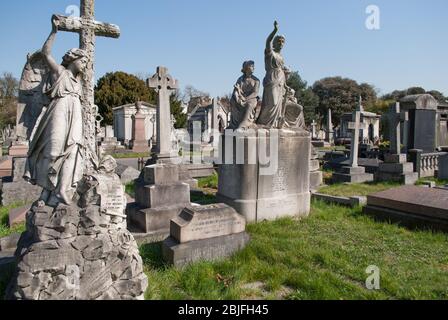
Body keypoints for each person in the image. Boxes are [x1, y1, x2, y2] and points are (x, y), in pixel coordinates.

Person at [24, 17, 87, 207]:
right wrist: (54, 31)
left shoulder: (80, 83)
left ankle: (62, 189)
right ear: (73, 59)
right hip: (59, 109)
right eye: (83, 60)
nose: (85, 64)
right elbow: (46, 53)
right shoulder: (60, 72)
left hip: (75, 113)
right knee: (53, 152)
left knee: (73, 150)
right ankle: (47, 189)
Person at [256, 21, 290, 128]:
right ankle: (263, 123)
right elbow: (267, 41)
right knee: (272, 103)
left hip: (280, 80)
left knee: (278, 105)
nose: (281, 43)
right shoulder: (270, 53)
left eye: (282, 42)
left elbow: (283, 72)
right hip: (271, 79)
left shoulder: (281, 57)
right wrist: (275, 30)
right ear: (274, 43)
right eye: (279, 41)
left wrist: (285, 85)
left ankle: (274, 124)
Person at [229, 60, 260, 130]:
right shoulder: (240, 79)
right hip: (241, 97)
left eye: (253, 66)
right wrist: (237, 98)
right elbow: (236, 90)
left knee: (249, 104)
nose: (254, 68)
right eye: (252, 66)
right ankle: (233, 125)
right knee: (232, 101)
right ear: (246, 68)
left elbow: (255, 93)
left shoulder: (256, 80)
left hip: (252, 98)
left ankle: (243, 125)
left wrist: (245, 99)